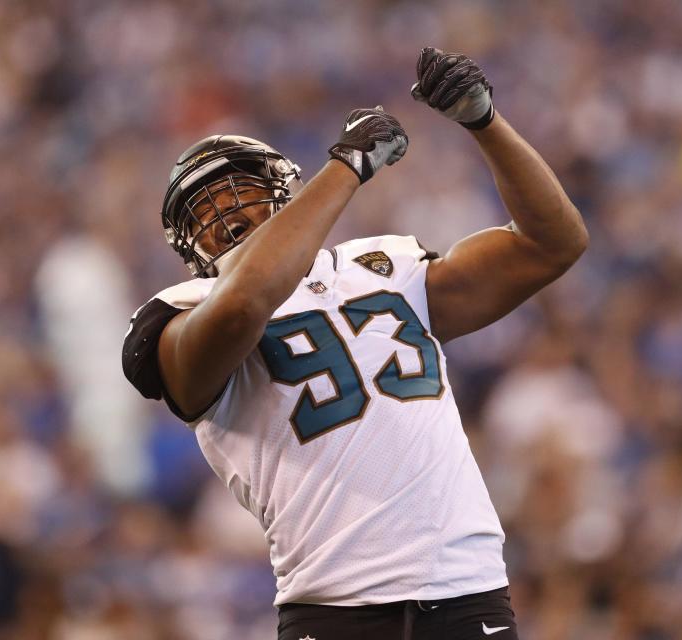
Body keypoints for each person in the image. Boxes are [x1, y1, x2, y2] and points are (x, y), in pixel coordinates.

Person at [122, 47, 588, 639]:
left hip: (467, 591)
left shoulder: (381, 266)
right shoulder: (178, 313)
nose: (225, 213)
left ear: (282, 193)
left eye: (238, 189)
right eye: (204, 211)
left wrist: (485, 123)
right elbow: (246, 302)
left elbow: (553, 245)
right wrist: (347, 165)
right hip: (333, 607)